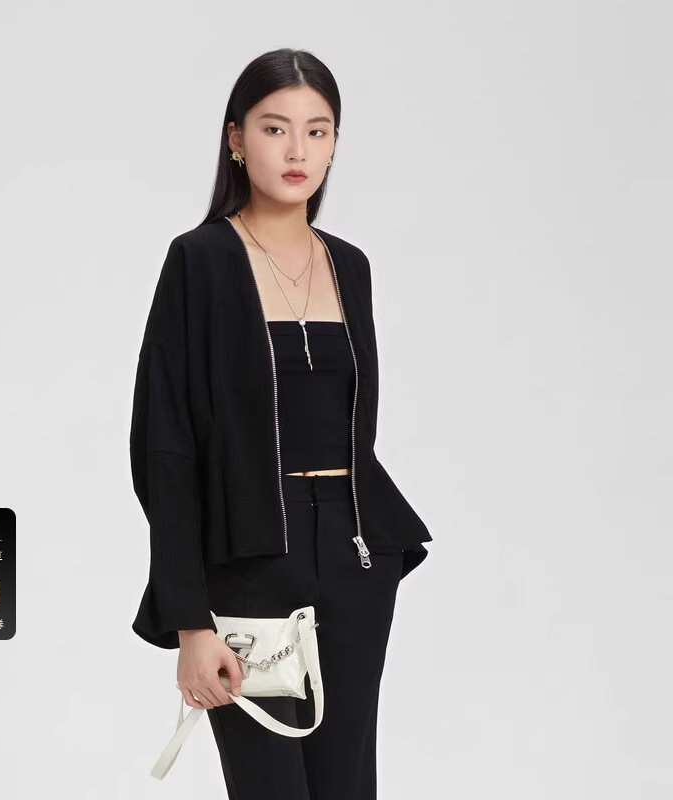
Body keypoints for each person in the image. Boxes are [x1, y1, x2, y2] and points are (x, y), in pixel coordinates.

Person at [129, 47, 433, 799]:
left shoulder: (349, 266)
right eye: (275, 128)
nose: (298, 151)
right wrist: (189, 621)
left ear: (334, 144)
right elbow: (165, 448)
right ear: (236, 139)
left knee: (347, 786)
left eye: (317, 131)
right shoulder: (200, 260)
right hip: (248, 554)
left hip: (357, 553)